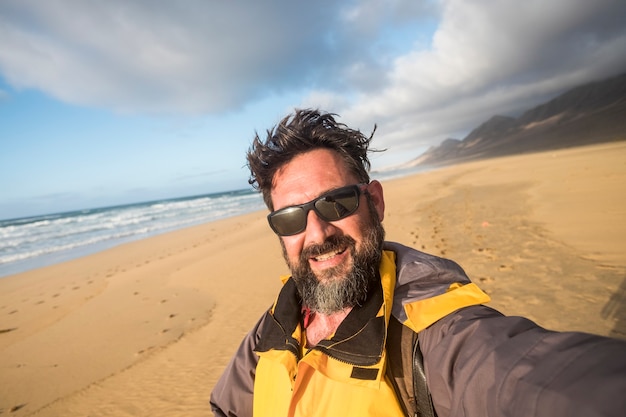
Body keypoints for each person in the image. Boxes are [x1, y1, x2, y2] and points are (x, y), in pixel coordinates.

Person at [210, 109, 626, 417]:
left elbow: (528, 377)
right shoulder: (274, 326)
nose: (317, 234)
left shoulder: (433, 335)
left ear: (375, 201)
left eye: (336, 202)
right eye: (290, 218)